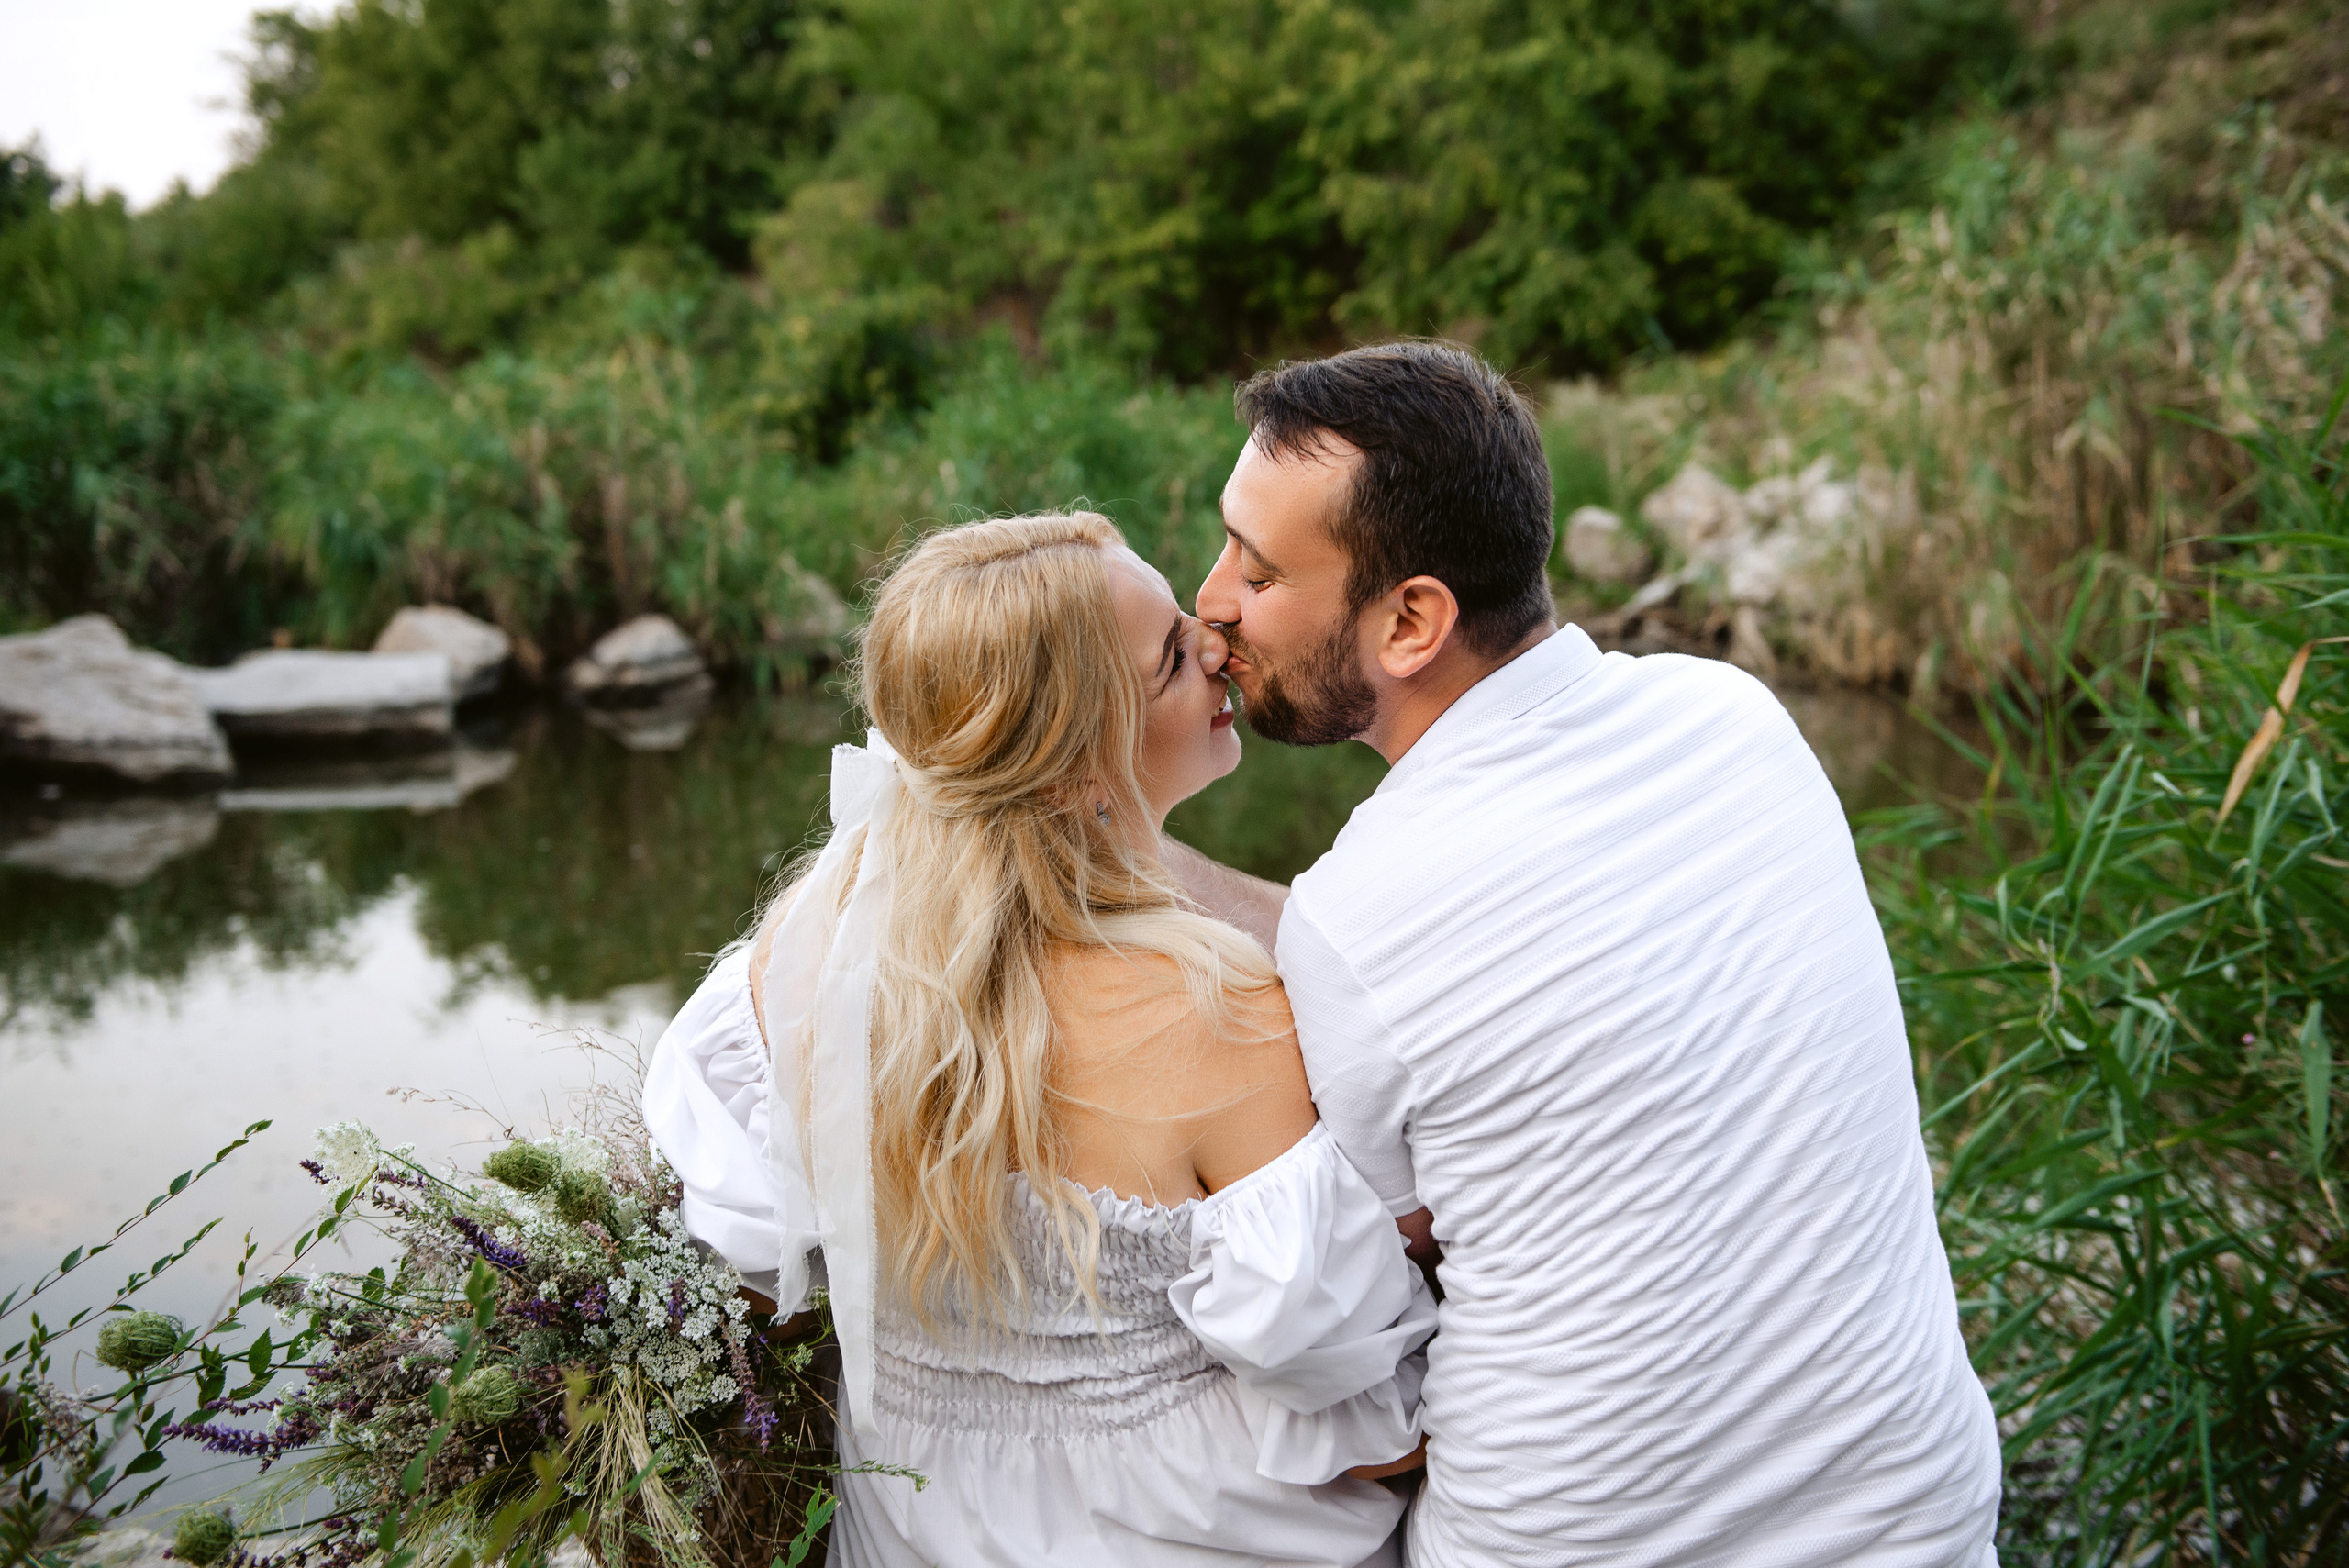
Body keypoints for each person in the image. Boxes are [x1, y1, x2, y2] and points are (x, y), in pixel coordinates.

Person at [1171, 341, 2004, 1567]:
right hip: (1921, 1520)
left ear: (1411, 620)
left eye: (1258, 565)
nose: (1213, 599)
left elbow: (1376, 1277)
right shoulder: (1738, 718)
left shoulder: (1362, 912)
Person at [641, 512, 1436, 1568]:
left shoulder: (805, 949)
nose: (1215, 640)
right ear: (1070, 772)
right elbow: (1370, 1433)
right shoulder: (1212, 1013)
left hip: (910, 1520)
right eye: (1167, 658)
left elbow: (744, 1263)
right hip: (1179, 1533)